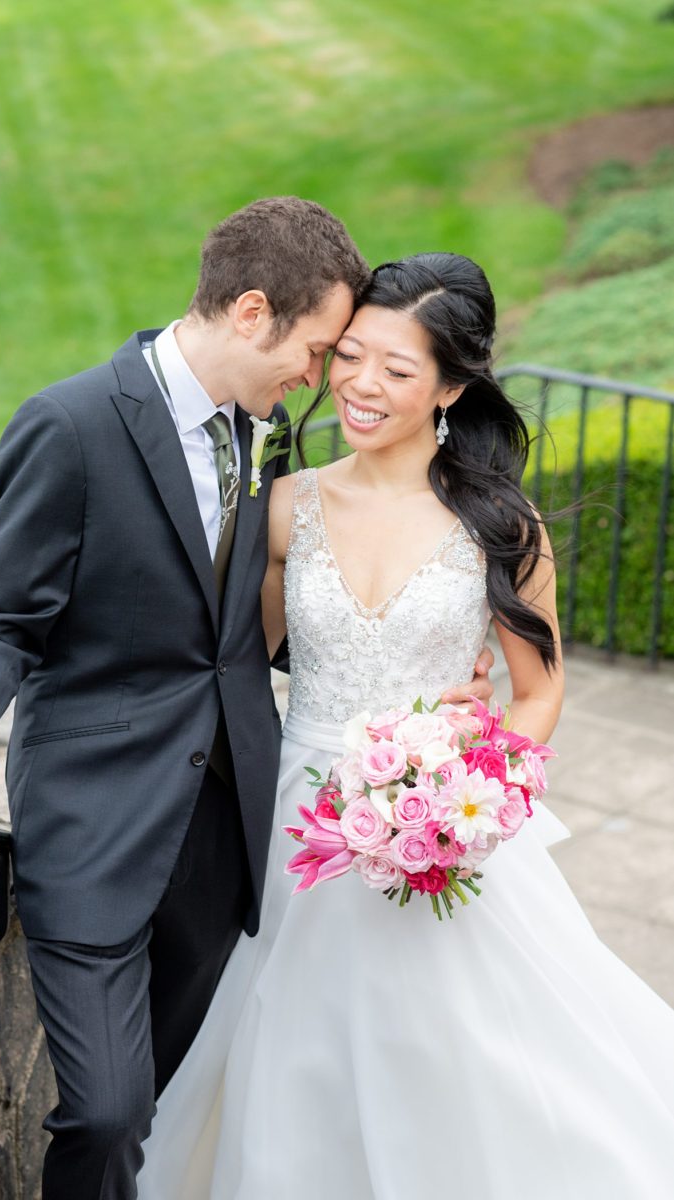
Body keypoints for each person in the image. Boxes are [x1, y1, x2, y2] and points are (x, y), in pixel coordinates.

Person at [0, 204, 495, 1200]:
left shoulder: (260, 439)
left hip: (225, 841)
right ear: (252, 312)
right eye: (320, 348)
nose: (325, 377)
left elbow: (244, 630)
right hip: (93, 819)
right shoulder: (70, 425)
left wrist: (426, 694)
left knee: (161, 1101)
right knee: (107, 1111)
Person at [140, 252, 674, 1199]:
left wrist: (481, 784)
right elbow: (231, 663)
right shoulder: (285, 507)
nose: (359, 385)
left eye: (396, 369)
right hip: (297, 822)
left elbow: (540, 690)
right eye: (348, 357)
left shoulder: (501, 526)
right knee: (292, 1050)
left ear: (451, 387)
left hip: (446, 826)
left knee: (462, 1054)